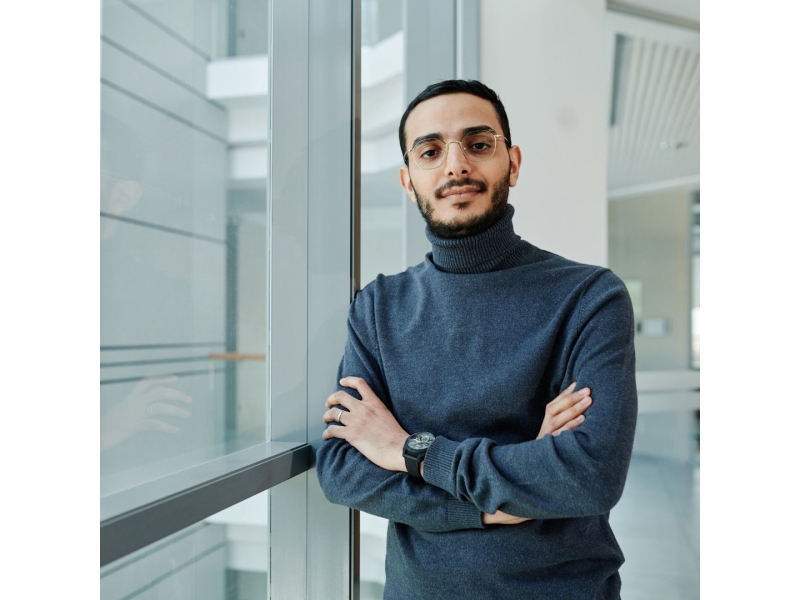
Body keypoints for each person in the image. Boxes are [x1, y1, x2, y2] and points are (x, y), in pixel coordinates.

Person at [316, 80, 637, 599]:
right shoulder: (378, 306)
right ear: (407, 180)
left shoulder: (589, 296)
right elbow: (342, 469)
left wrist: (407, 450)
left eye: (478, 144)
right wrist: (494, 503)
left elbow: (588, 473)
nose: (455, 165)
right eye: (430, 151)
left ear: (512, 163)